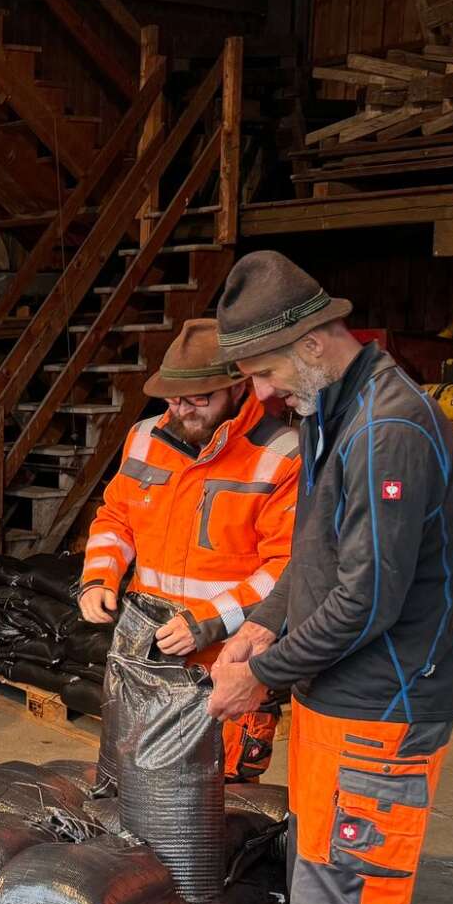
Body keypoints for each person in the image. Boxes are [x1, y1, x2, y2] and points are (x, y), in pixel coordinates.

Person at [204, 251, 453, 904]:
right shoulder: (332, 414)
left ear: (314, 344)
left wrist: (261, 676)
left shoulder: (387, 431)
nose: (261, 393)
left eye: (264, 371)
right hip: (336, 708)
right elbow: (316, 558)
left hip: (379, 719)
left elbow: (367, 600)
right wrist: (259, 623)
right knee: (320, 903)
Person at [78, 318, 297, 780]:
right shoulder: (143, 438)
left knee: (216, 801)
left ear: (239, 388)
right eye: (173, 399)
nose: (182, 412)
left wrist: (209, 621)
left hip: (226, 662)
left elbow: (289, 568)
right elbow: (116, 517)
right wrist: (99, 577)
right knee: (130, 781)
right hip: (146, 652)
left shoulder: (283, 454)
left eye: (199, 400)